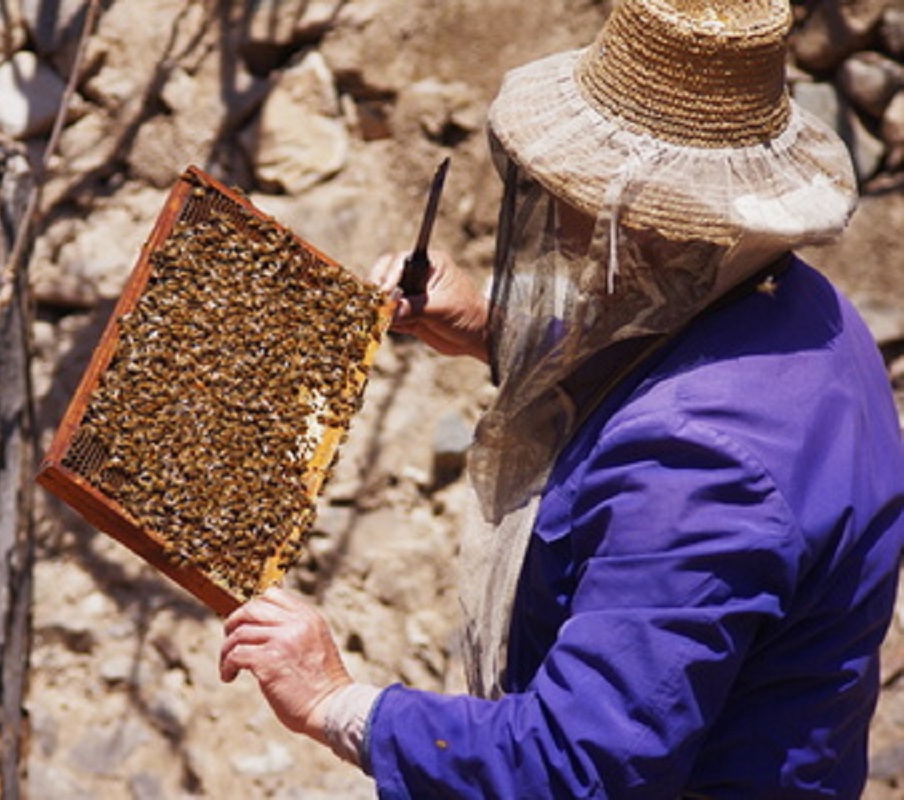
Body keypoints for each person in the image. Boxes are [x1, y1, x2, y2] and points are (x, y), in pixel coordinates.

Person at [220, 0, 904, 796]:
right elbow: (667, 354)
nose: (562, 219)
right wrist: (495, 329)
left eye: (577, 196)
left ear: (650, 224)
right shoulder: (804, 312)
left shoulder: (699, 468)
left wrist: (339, 703)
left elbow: (577, 765)